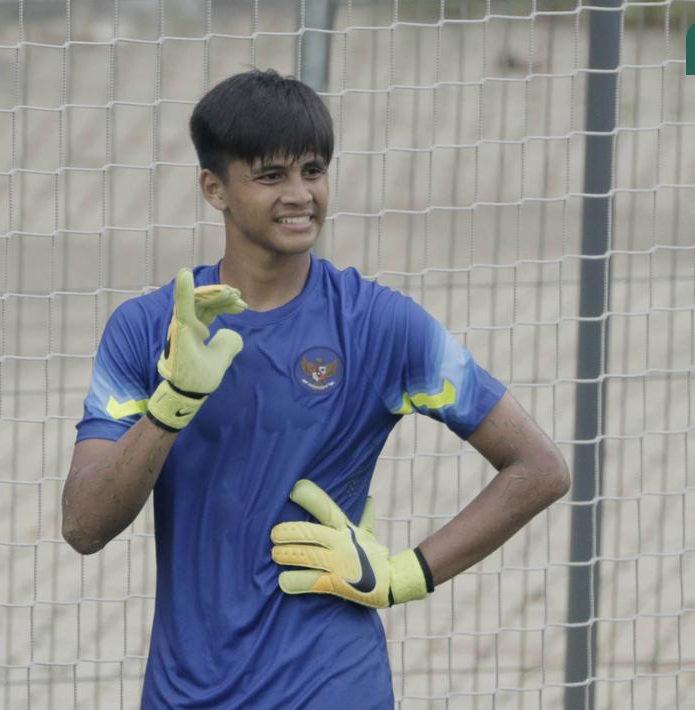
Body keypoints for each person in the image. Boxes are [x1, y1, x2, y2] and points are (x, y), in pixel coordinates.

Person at [61, 69, 570, 709]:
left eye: (313, 170)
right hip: (187, 693)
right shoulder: (146, 329)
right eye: (271, 175)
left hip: (333, 685)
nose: (300, 194)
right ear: (213, 188)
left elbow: (540, 468)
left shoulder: (380, 323)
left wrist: (403, 575)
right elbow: (84, 526)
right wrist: (173, 403)